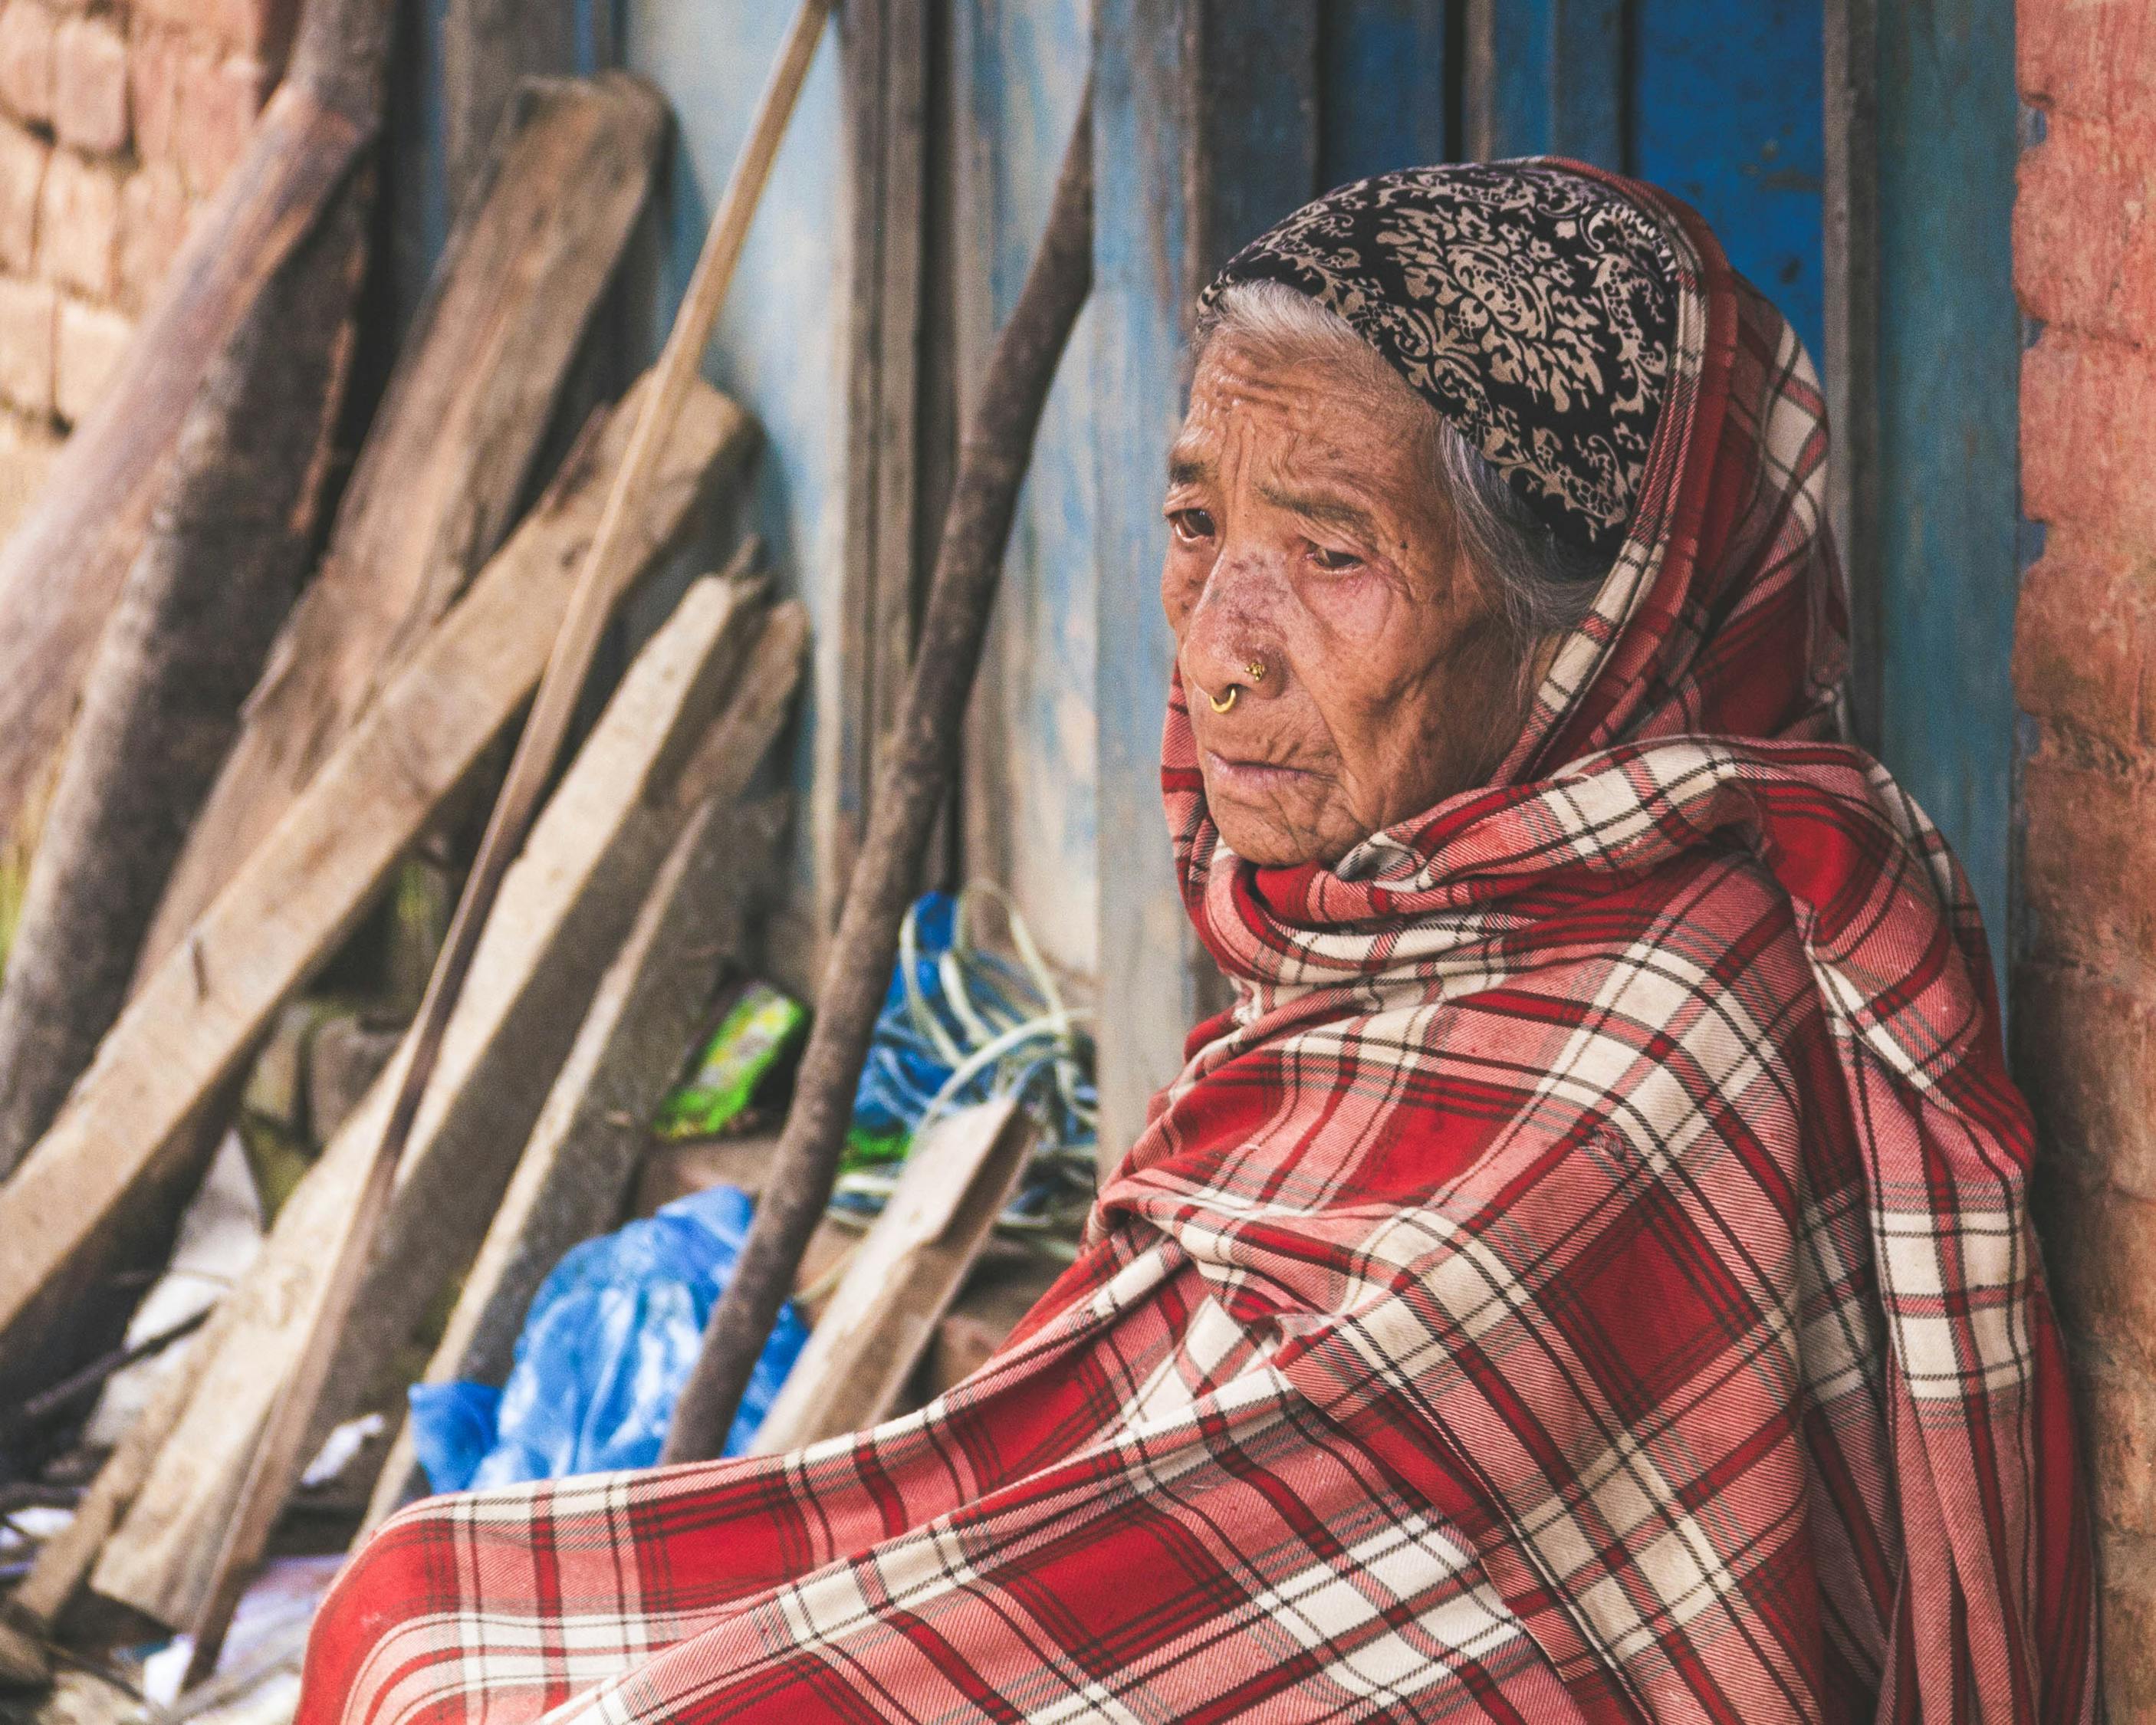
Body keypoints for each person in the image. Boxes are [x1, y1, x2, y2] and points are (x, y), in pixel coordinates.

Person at [297, 161, 2094, 1723]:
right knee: (413, 1600)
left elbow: (1341, 1545)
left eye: (1329, 557)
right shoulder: (1392, 920)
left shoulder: (1666, 995)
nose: (1218, 647)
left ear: (1584, 627)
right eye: (1192, 525)